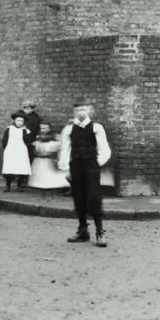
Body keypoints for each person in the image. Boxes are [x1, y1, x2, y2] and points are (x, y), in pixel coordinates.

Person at [58, 98, 112, 247]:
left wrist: (95, 163)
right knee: (79, 198)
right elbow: (65, 150)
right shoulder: (68, 129)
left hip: (91, 166)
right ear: (74, 112)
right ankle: (83, 231)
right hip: (76, 166)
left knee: (94, 197)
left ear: (89, 111)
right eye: (78, 110)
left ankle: (100, 232)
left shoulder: (97, 128)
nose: (81, 112)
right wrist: (66, 168)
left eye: (84, 109)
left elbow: (104, 150)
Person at [1, 111, 35, 192]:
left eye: (21, 121)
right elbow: (4, 140)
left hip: (21, 151)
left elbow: (27, 140)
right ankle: (7, 185)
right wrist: (6, 148)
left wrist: (25, 131)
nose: (19, 123)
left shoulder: (26, 131)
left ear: (24, 122)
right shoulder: (9, 129)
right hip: (10, 150)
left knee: (21, 168)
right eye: (18, 121)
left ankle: (19, 185)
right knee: (9, 168)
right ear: (14, 121)